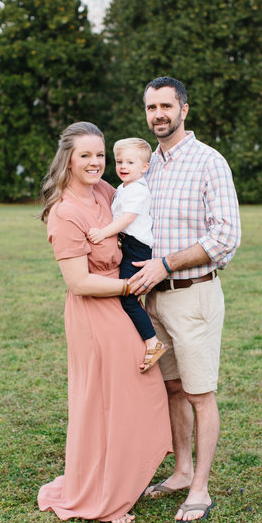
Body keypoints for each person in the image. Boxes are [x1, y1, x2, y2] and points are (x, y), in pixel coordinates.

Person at [37, 121, 171, 523]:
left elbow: (138, 214)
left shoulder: (105, 192)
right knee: (105, 402)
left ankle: (121, 481)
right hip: (95, 311)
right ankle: (104, 496)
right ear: (69, 159)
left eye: (100, 155)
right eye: (86, 155)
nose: (96, 162)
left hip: (121, 303)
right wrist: (132, 283)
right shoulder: (64, 212)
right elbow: (78, 281)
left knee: (135, 395)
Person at [129, 77, 241, 523]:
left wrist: (167, 264)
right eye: (151, 107)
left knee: (199, 393)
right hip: (151, 300)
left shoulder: (208, 162)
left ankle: (200, 489)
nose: (158, 114)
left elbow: (227, 235)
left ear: (184, 110)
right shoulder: (147, 166)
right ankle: (180, 471)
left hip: (192, 296)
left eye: (166, 106)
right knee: (172, 388)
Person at [88, 137, 167, 372]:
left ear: (144, 167)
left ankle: (153, 343)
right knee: (129, 297)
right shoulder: (124, 188)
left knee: (129, 298)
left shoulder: (138, 191)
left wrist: (102, 234)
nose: (123, 166)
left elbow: (126, 219)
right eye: (119, 161)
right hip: (128, 242)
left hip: (136, 247)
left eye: (130, 162)